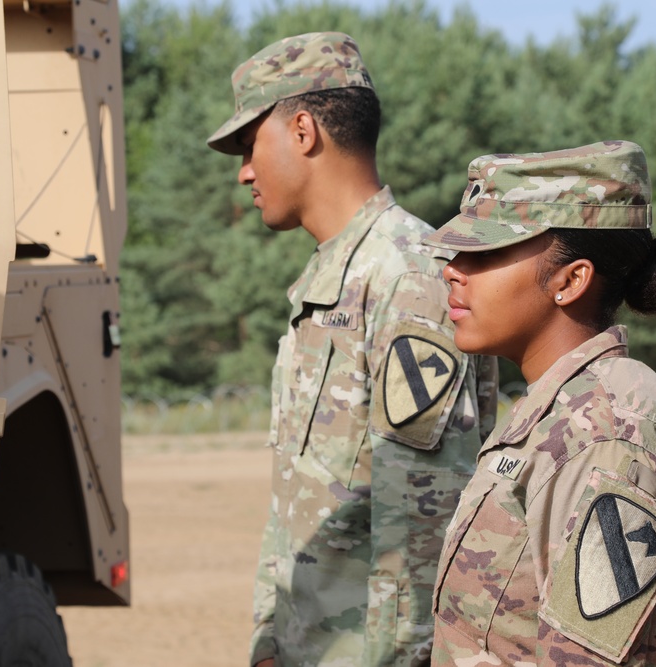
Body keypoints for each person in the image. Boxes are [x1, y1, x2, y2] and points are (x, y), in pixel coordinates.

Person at [206, 32, 498, 666]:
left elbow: (423, 517)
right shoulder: (327, 280)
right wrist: (268, 639)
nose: (244, 171)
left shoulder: (407, 274)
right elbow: (298, 497)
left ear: (303, 130)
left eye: (250, 144)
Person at [425, 141, 656, 666]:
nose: (453, 270)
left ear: (571, 280)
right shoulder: (562, 412)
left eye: (486, 252)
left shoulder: (605, 438)